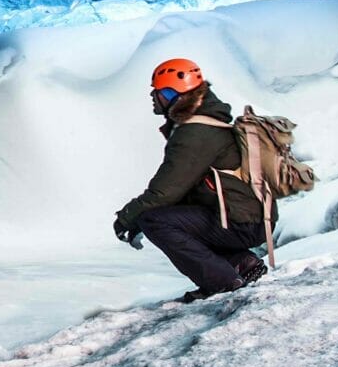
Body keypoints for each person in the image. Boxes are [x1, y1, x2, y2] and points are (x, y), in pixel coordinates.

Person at [112, 58, 269, 302]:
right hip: (246, 218)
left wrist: (126, 218)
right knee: (173, 214)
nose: (153, 96)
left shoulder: (196, 132)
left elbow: (166, 191)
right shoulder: (205, 124)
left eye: (158, 91)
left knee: (154, 220)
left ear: (171, 93)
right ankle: (242, 263)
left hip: (240, 222)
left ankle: (223, 282)